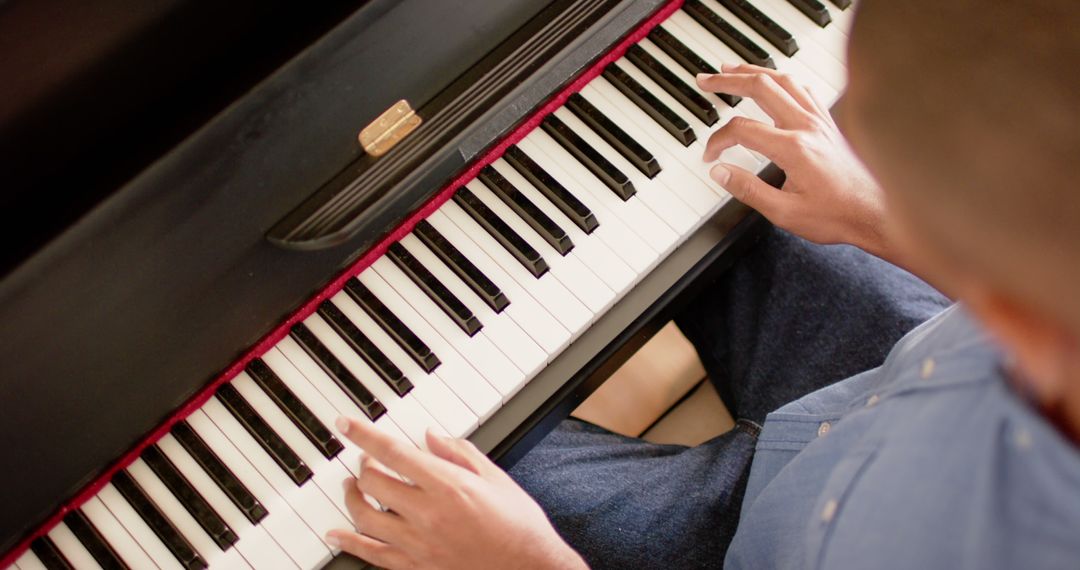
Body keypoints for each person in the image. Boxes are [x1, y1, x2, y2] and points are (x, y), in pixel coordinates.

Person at [324, 0, 1080, 567]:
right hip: (868, 388)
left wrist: (528, 562)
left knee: (372, 455)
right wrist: (874, 215)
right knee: (721, 190)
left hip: (746, 553)